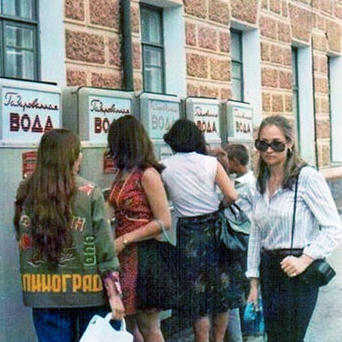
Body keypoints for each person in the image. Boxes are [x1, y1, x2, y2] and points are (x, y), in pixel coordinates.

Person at [14, 129, 124, 342]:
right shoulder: (90, 193)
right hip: (88, 293)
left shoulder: (25, 191)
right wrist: (115, 295)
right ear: (71, 156)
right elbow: (105, 251)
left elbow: (22, 237)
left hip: (44, 295)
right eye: (78, 151)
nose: (81, 156)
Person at [246, 115, 342, 342]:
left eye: (276, 144)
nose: (269, 150)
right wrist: (253, 281)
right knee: (274, 337)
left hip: (298, 271)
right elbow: (256, 233)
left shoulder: (307, 178)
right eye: (263, 143)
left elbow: (333, 228)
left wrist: (304, 259)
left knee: (290, 338)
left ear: (289, 143)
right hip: (269, 269)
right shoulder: (259, 181)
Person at [161, 119, 238, 342]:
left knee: (197, 294)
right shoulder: (211, 163)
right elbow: (232, 195)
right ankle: (219, 339)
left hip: (188, 233)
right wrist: (217, 206)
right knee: (221, 290)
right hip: (214, 228)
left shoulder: (164, 167)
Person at [107, 115, 172, 342]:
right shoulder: (122, 173)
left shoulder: (147, 174)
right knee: (129, 323)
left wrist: (126, 239)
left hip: (143, 257)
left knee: (149, 325)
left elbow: (164, 221)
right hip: (123, 257)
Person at [223, 143, 258, 342]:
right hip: (247, 238)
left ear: (235, 162)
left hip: (244, 238)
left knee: (245, 284)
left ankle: (249, 330)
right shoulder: (250, 181)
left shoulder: (244, 185)